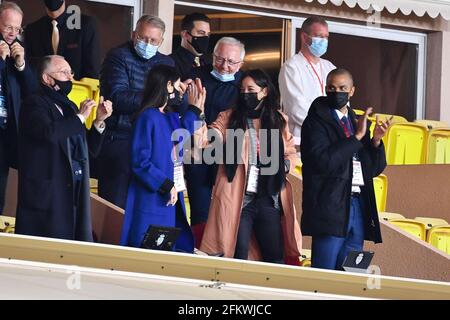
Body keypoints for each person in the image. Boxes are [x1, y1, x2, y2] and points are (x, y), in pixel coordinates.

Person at [195, 69, 302, 264]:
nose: (246, 94)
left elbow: (290, 151)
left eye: (251, 89)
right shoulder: (229, 117)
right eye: (242, 89)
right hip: (239, 199)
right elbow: (206, 141)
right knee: (238, 253)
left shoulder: (278, 119)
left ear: (264, 92)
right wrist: (199, 114)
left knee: (275, 256)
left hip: (269, 198)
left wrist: (285, 164)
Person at [300, 68, 391, 270]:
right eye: (332, 88)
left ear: (352, 91)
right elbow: (323, 162)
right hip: (330, 204)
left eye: (342, 88)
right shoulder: (315, 122)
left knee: (352, 272)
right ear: (325, 89)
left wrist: (375, 141)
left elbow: (373, 169)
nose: (337, 92)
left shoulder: (356, 120)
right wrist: (356, 138)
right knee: (324, 274)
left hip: (358, 204)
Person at [15, 55, 112, 241]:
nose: (70, 78)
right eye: (63, 72)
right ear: (47, 78)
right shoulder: (34, 103)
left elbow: (87, 150)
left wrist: (98, 120)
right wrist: (80, 117)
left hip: (73, 191)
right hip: (47, 195)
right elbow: (48, 133)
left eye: (71, 72)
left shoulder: (69, 107)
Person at [120, 64, 204, 253]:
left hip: (170, 195)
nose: (180, 91)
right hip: (153, 195)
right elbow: (139, 162)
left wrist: (195, 110)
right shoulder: (147, 117)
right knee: (149, 249)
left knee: (168, 248)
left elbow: (180, 138)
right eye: (177, 85)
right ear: (167, 86)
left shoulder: (169, 116)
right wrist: (166, 184)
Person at [97, 15, 174, 209]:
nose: (147, 44)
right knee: (115, 208)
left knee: (147, 207)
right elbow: (117, 97)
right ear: (134, 35)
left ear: (161, 41)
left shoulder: (167, 64)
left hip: (153, 143)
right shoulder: (117, 56)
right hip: (120, 139)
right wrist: (158, 97)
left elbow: (172, 103)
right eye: (143, 38)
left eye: (153, 40)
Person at [183, 37, 245, 248]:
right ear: (213, 56)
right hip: (197, 154)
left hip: (229, 156)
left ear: (241, 65)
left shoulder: (245, 86)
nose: (225, 66)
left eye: (231, 62)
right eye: (220, 59)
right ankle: (198, 252)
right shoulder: (195, 78)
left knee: (227, 211)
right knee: (200, 211)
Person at [0, 1, 36, 215]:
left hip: (5, 134)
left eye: (17, 28)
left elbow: (32, 92)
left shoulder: (17, 53)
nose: (12, 33)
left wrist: (21, 64)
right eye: (8, 27)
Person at [279, 16, 335, 150]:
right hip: (301, 140)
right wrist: (328, 126)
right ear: (304, 37)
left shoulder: (330, 67)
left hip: (330, 140)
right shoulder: (292, 67)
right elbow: (296, 109)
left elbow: (341, 102)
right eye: (319, 36)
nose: (324, 41)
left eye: (326, 37)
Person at [24, 0, 101, 80]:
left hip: (78, 90)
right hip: (42, 90)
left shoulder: (85, 25)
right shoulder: (32, 31)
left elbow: (92, 73)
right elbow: (31, 70)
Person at [170, 12, 211, 81]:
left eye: (208, 34)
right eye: (201, 33)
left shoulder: (209, 61)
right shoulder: (170, 62)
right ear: (185, 34)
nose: (205, 38)